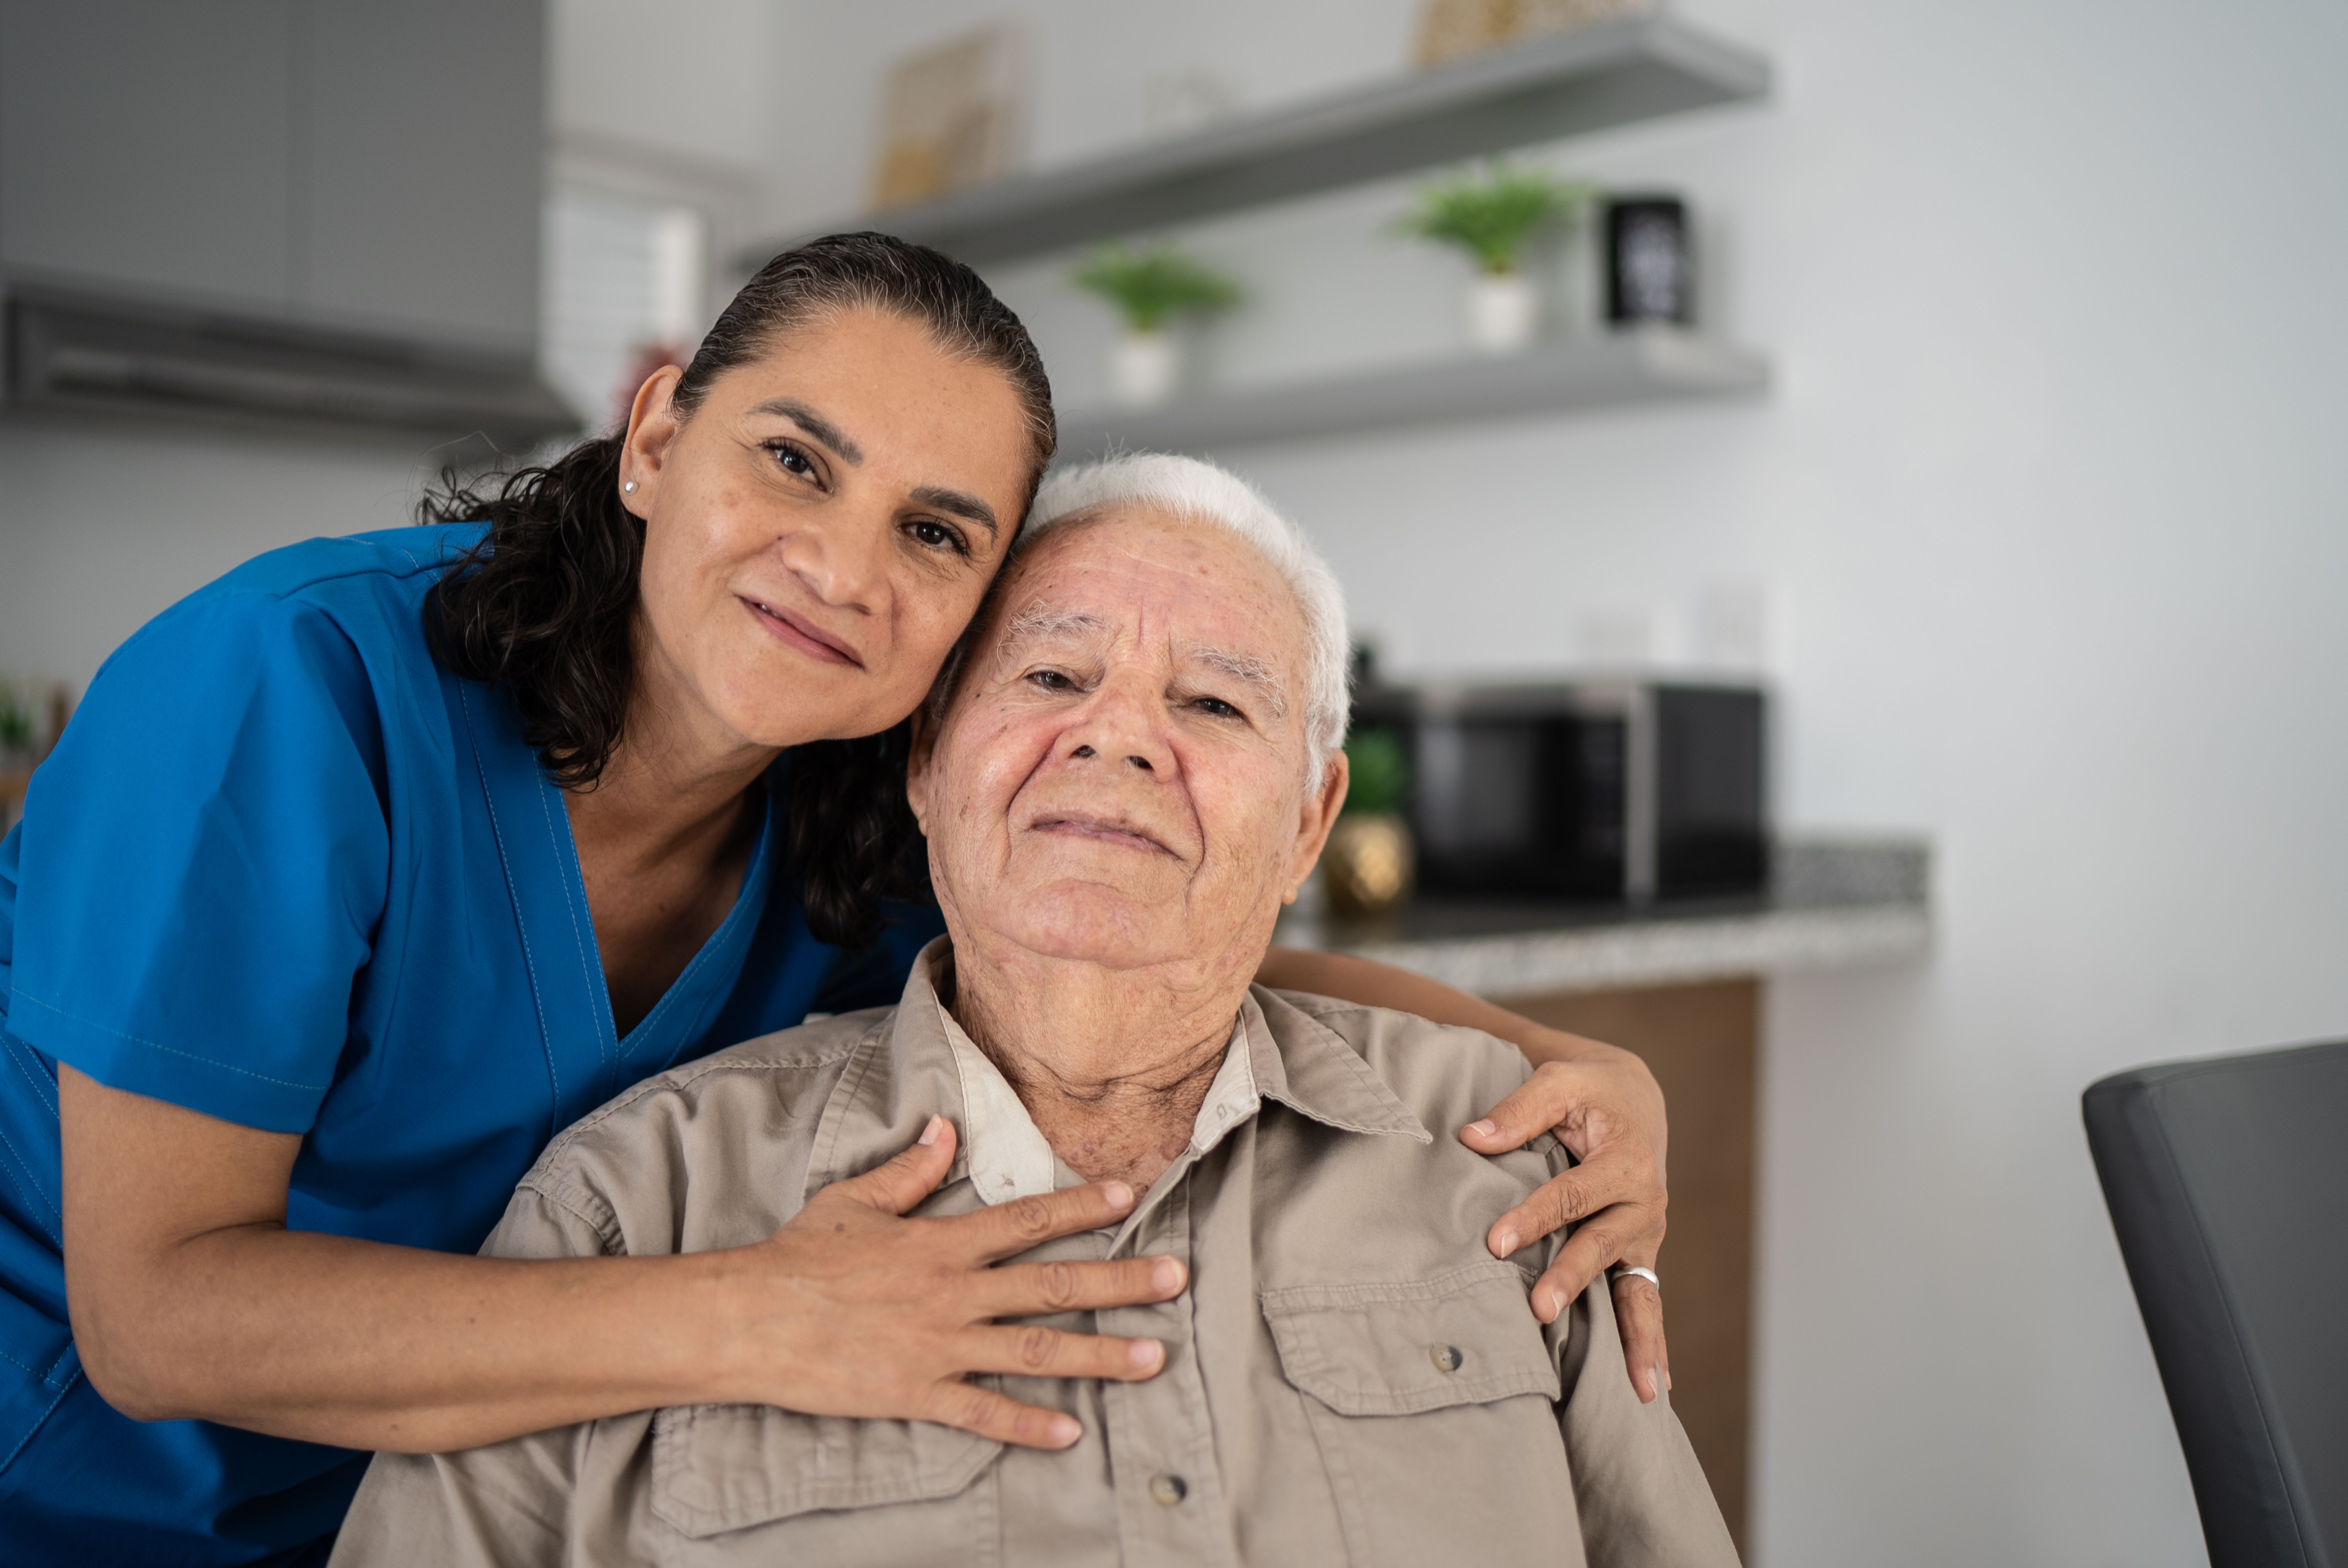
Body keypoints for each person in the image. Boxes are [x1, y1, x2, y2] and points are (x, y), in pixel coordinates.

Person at [0, 237, 1670, 1566]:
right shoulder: (283, 695)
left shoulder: (852, 805)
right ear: (658, 437)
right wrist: (761, 1319)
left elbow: (1164, 942)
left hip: (430, 1477)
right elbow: (157, 1320)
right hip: (72, 1491)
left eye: (935, 533)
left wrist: (1560, 1061)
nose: (844, 567)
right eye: (795, 460)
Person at [331, 454, 1735, 1567]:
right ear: (926, 766)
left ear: (1312, 822)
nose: (1119, 735)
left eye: (1214, 704)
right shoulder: (636, 1205)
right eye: (1054, 676)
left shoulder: (1517, 1166)